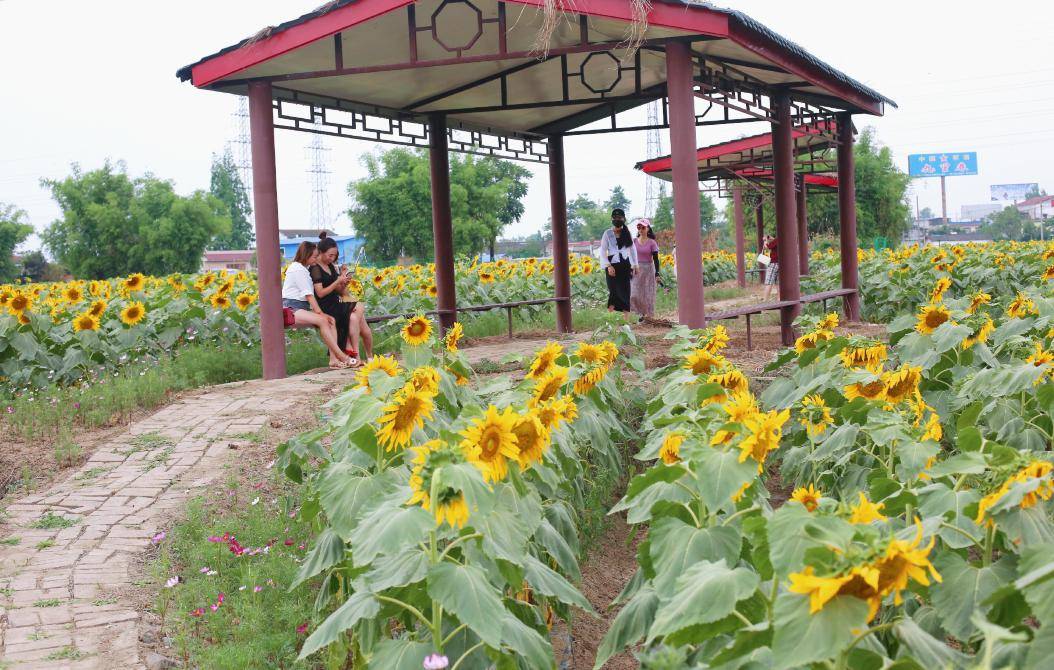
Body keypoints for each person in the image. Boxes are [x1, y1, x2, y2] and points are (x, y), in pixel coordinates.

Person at [282, 241, 357, 369]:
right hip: (291, 308)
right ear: (306, 256)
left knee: (331, 320)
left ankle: (333, 360)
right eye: (314, 257)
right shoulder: (297, 269)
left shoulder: (303, 269)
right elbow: (309, 295)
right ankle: (343, 357)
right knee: (324, 320)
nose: (316, 259)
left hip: (301, 308)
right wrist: (320, 313)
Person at [312, 233, 374, 361]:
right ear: (321, 252)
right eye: (330, 255)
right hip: (326, 306)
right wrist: (337, 281)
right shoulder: (315, 268)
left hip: (337, 302)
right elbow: (320, 293)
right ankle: (360, 355)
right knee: (357, 316)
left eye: (335, 255)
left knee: (356, 316)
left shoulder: (330, 266)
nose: (333, 258)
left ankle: (357, 354)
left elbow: (340, 291)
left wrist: (344, 281)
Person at [599, 208, 638, 319]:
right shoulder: (607, 233)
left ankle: (625, 321)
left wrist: (635, 264)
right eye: (615, 218)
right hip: (612, 265)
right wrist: (608, 265)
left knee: (626, 291)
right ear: (612, 219)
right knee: (613, 291)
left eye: (620, 217)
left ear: (624, 219)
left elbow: (632, 249)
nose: (617, 219)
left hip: (625, 265)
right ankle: (610, 320)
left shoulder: (627, 233)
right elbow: (602, 251)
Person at [630, 219, 659, 321]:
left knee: (647, 294)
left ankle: (647, 316)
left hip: (648, 270)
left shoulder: (652, 243)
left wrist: (657, 273)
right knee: (634, 293)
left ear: (648, 229)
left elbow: (656, 259)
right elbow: (631, 256)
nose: (641, 230)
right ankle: (639, 313)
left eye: (643, 227)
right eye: (639, 228)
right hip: (637, 269)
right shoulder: (634, 242)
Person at [763, 234, 779, 299]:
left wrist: (765, 241)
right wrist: (770, 238)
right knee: (778, 283)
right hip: (781, 263)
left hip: (773, 263)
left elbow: (767, 247)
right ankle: (780, 300)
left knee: (768, 282)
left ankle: (765, 302)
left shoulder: (778, 238)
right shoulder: (784, 239)